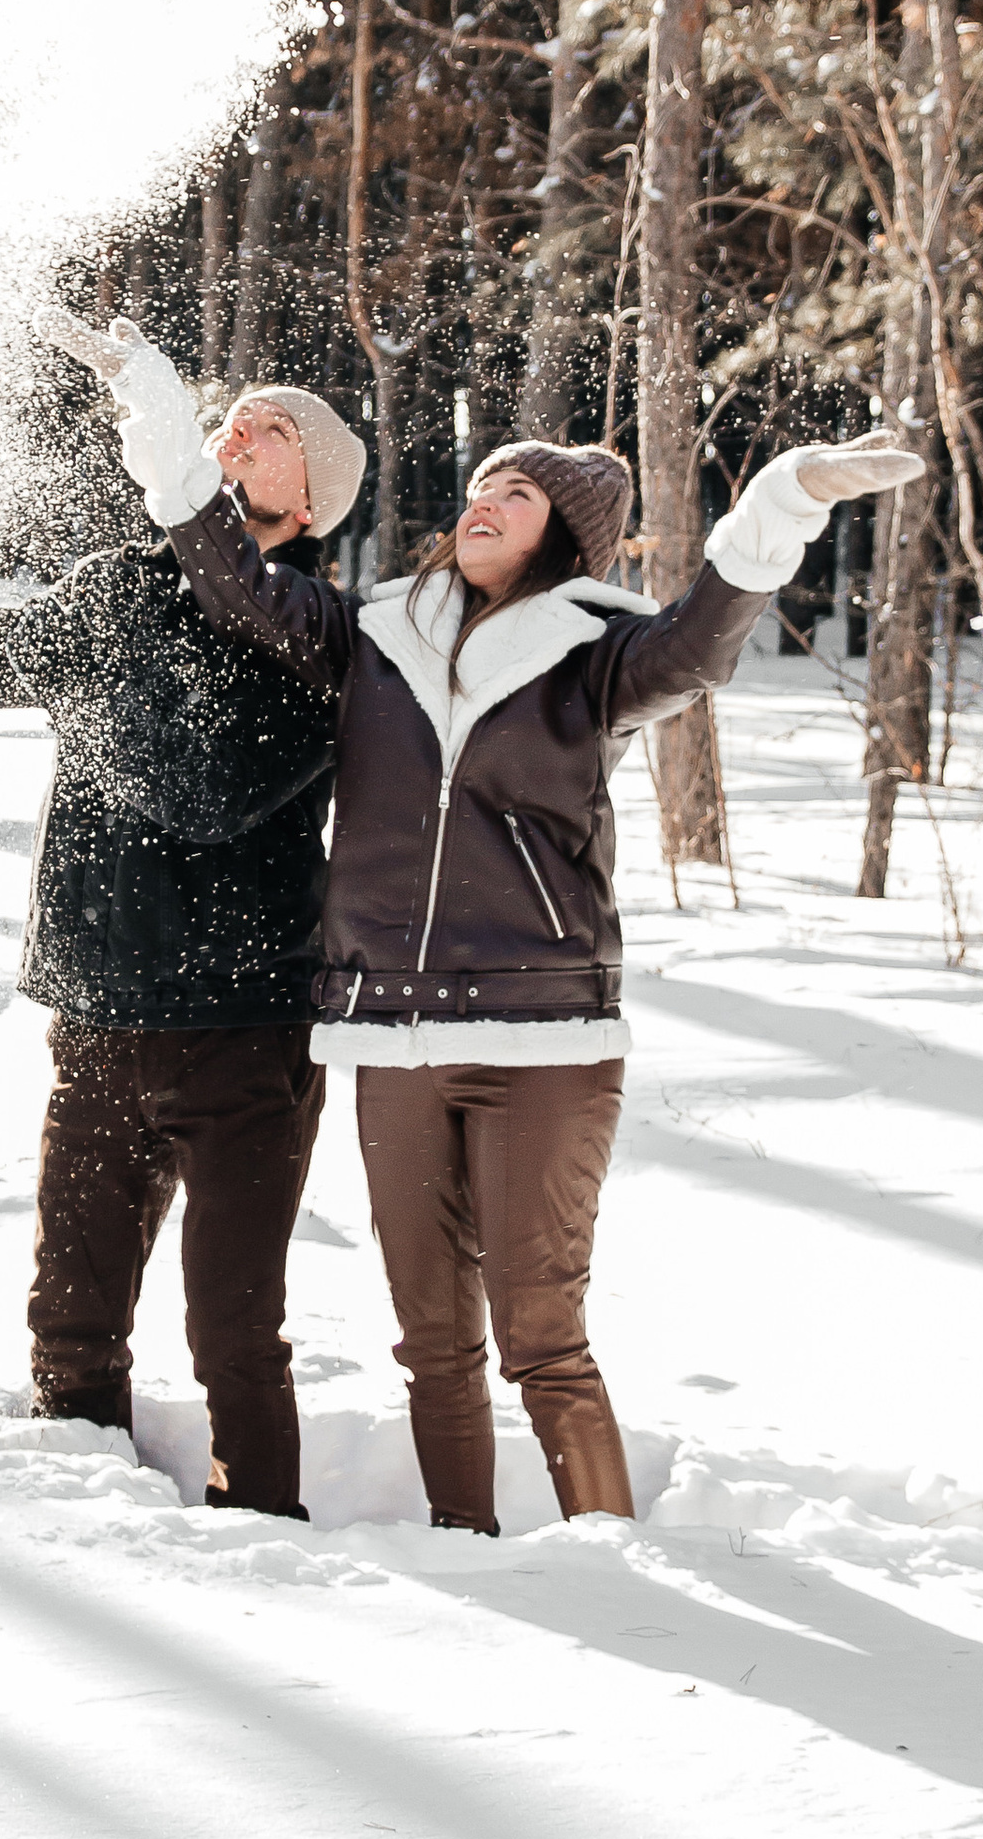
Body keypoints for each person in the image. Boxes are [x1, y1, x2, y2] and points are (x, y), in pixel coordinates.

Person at [65, 322, 919, 1536]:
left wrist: (780, 504)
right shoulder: (371, 640)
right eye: (475, 488)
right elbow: (230, 577)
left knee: (540, 1340)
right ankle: (470, 1555)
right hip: (389, 1037)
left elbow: (702, 647)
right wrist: (154, 410)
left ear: (560, 534)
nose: (480, 505)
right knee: (431, 1344)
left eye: (512, 495)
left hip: (545, 1041)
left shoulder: (600, 657)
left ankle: (616, 1565)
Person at [0, 363, 367, 1518]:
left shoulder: (320, 639)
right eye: (232, 418)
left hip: (245, 1030)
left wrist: (114, 668)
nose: (241, 425)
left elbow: (200, 789)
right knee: (72, 1302)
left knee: (232, 1323)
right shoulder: (114, 586)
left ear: (310, 504)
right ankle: (79, 1508)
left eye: (278, 431)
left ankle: (263, 1524)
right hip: (101, 1010)